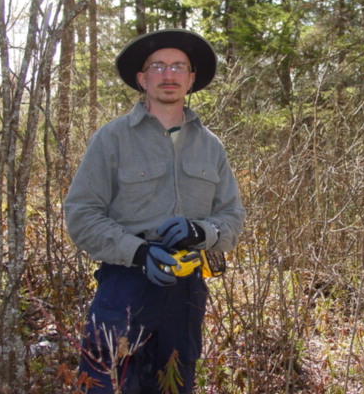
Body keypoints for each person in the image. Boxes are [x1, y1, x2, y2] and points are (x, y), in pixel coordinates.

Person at [64, 28, 246, 393]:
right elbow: (81, 214)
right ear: (141, 78)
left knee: (174, 386)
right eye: (158, 66)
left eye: (179, 66)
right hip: (124, 287)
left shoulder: (210, 147)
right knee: (107, 386)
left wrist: (202, 233)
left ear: (191, 78)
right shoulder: (111, 139)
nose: (168, 75)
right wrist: (140, 252)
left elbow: (232, 218)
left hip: (186, 291)